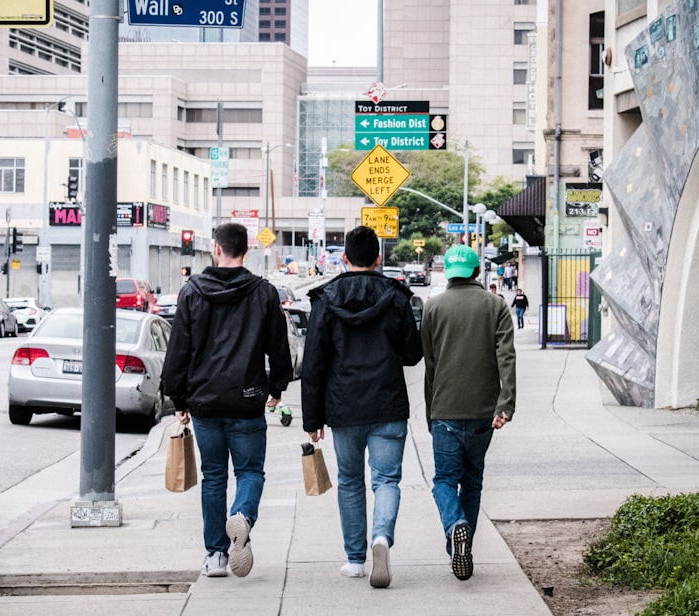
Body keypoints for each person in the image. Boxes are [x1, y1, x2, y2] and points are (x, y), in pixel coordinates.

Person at [162, 222, 294, 579]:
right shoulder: (264, 293)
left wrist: (177, 396)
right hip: (248, 398)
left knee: (214, 476)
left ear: (216, 250)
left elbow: (179, 350)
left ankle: (216, 556)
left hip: (205, 401)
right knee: (250, 471)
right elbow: (278, 347)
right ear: (246, 251)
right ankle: (244, 516)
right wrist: (277, 387)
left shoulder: (192, 292)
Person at [300, 225, 423, 588]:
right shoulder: (397, 297)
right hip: (387, 404)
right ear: (378, 259)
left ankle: (355, 560)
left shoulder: (326, 299)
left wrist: (313, 418)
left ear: (344, 258)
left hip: (344, 407)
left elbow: (314, 363)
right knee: (386, 480)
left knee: (350, 481)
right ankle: (381, 537)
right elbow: (414, 355)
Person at [420, 244, 516, 582]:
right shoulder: (496, 306)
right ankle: (464, 546)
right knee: (472, 481)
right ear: (477, 272)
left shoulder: (433, 308)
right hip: (483, 413)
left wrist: (430, 410)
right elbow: (507, 357)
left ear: (448, 274)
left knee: (444, 481)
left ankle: (455, 526)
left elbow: (430, 365)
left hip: (445, 410)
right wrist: (506, 405)